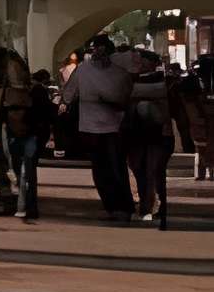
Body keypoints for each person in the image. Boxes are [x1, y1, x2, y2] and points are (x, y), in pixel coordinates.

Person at [63, 37, 136, 221]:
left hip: (105, 127)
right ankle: (118, 206)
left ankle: (118, 206)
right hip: (101, 127)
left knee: (106, 168)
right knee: (111, 168)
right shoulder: (114, 73)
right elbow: (68, 95)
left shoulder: (88, 71)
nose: (98, 54)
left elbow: (68, 96)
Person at [125, 48, 195, 228]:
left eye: (142, 60)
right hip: (140, 134)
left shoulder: (166, 83)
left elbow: (177, 110)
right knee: (143, 169)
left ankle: (151, 207)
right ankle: (150, 205)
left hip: (156, 134)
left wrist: (185, 135)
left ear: (152, 63)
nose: (139, 63)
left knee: (151, 170)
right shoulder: (130, 81)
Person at [0, 49, 43, 222]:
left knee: (24, 171)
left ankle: (27, 206)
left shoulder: (23, 91)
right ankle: (25, 205)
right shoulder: (6, 91)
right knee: (22, 171)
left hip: (22, 134)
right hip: (18, 134)